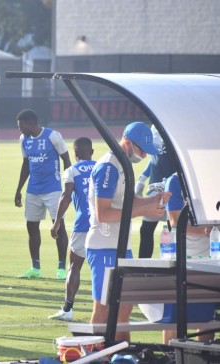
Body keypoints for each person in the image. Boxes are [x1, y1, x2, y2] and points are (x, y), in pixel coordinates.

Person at [86, 121, 168, 342]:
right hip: (103, 245)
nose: (143, 156)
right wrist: (143, 210)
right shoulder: (109, 166)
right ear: (128, 143)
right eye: (142, 150)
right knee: (103, 309)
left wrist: (153, 201)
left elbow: (129, 201)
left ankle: (122, 354)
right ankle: (99, 355)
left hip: (121, 245)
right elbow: (104, 213)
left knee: (124, 310)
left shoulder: (123, 164)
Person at [15, 109, 72, 279]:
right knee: (31, 227)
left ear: (30, 123)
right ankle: (35, 268)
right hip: (33, 190)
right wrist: (18, 189)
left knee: (58, 226)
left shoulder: (52, 136)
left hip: (53, 189)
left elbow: (66, 159)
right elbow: (26, 164)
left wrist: (68, 184)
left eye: (21, 126)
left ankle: (62, 269)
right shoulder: (23, 139)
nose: (19, 130)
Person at [160, 172, 214, 343]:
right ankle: (171, 356)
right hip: (181, 255)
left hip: (209, 258)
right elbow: (175, 220)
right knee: (174, 319)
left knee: (208, 317)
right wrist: (206, 231)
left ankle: (202, 356)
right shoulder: (175, 180)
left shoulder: (212, 178)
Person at [49, 137, 95, 321]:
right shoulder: (103, 167)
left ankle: (67, 309)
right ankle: (111, 308)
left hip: (83, 223)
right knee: (106, 267)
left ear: (75, 154)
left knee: (74, 266)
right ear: (92, 152)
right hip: (106, 223)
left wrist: (57, 221)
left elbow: (66, 196)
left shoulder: (71, 170)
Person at [135, 125, 177, 258]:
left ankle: (175, 266)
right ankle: (143, 268)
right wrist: (142, 178)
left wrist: (168, 182)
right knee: (146, 229)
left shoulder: (175, 127)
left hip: (173, 189)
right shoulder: (154, 127)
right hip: (154, 189)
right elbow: (155, 157)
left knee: (173, 230)